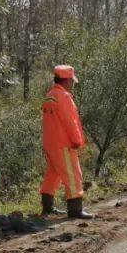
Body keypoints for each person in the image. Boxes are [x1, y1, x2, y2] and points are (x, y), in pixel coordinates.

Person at [40, 65, 94, 219]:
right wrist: (77, 140)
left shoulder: (50, 94)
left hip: (50, 143)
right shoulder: (64, 96)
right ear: (67, 80)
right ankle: (75, 210)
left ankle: (47, 207)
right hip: (63, 143)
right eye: (71, 81)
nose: (72, 84)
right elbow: (70, 121)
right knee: (73, 175)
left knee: (53, 174)